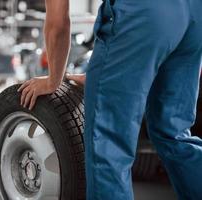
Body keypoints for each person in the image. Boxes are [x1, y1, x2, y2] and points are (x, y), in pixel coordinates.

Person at [18, 0, 202, 199]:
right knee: (173, 133)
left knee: (108, 143)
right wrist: (106, 74)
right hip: (194, 14)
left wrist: (53, 80)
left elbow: (58, 23)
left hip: (144, 12)